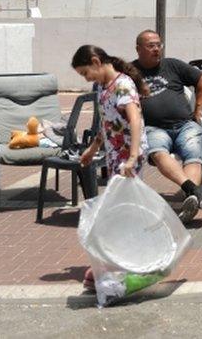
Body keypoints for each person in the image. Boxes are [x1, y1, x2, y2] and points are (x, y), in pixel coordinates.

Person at [71, 44, 150, 291]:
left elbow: (134, 119)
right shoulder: (104, 89)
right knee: (123, 213)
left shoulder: (123, 85)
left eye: (86, 73)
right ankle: (124, 261)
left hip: (128, 159)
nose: (87, 79)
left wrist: (133, 156)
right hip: (117, 158)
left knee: (118, 213)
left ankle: (116, 264)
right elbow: (108, 124)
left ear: (96, 61)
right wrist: (93, 149)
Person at [132, 30, 202, 224]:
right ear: (138, 49)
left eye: (159, 45)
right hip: (153, 127)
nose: (157, 49)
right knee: (157, 151)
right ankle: (192, 190)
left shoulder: (172, 65)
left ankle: (189, 199)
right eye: (151, 45)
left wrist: (198, 109)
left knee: (193, 153)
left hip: (185, 124)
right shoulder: (130, 72)